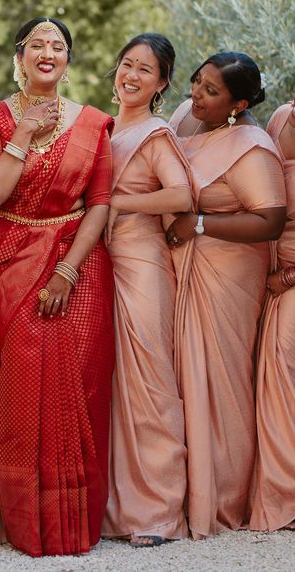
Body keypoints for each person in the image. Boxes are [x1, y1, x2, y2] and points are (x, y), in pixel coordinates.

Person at [0, 17, 115, 556]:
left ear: (69, 61)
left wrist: (67, 269)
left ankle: (77, 525)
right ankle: (29, 523)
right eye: (38, 45)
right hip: (12, 262)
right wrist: (24, 135)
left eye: (58, 46)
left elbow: (99, 204)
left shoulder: (93, 123)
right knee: (25, 389)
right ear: (20, 56)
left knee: (83, 386)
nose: (48, 52)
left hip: (79, 265)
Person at [166, 52, 286, 539]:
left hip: (227, 274)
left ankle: (222, 497)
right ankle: (180, 492)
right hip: (181, 269)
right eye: (196, 82)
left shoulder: (252, 147)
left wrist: (198, 223)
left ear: (238, 103)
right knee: (180, 380)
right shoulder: (187, 125)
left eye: (211, 92)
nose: (196, 94)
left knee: (220, 383)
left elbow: (270, 220)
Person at [100, 34, 192, 547]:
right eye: (126, 64)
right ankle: (116, 508)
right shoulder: (103, 127)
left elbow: (181, 195)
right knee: (110, 382)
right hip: (98, 264)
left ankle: (157, 512)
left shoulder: (154, 133)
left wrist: (121, 203)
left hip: (141, 263)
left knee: (149, 382)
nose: (131, 76)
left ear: (161, 84)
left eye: (145, 70)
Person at [249, 94, 295, 533]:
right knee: (270, 382)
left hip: (292, 279)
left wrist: (291, 277)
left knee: (282, 365)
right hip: (271, 271)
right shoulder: (281, 118)